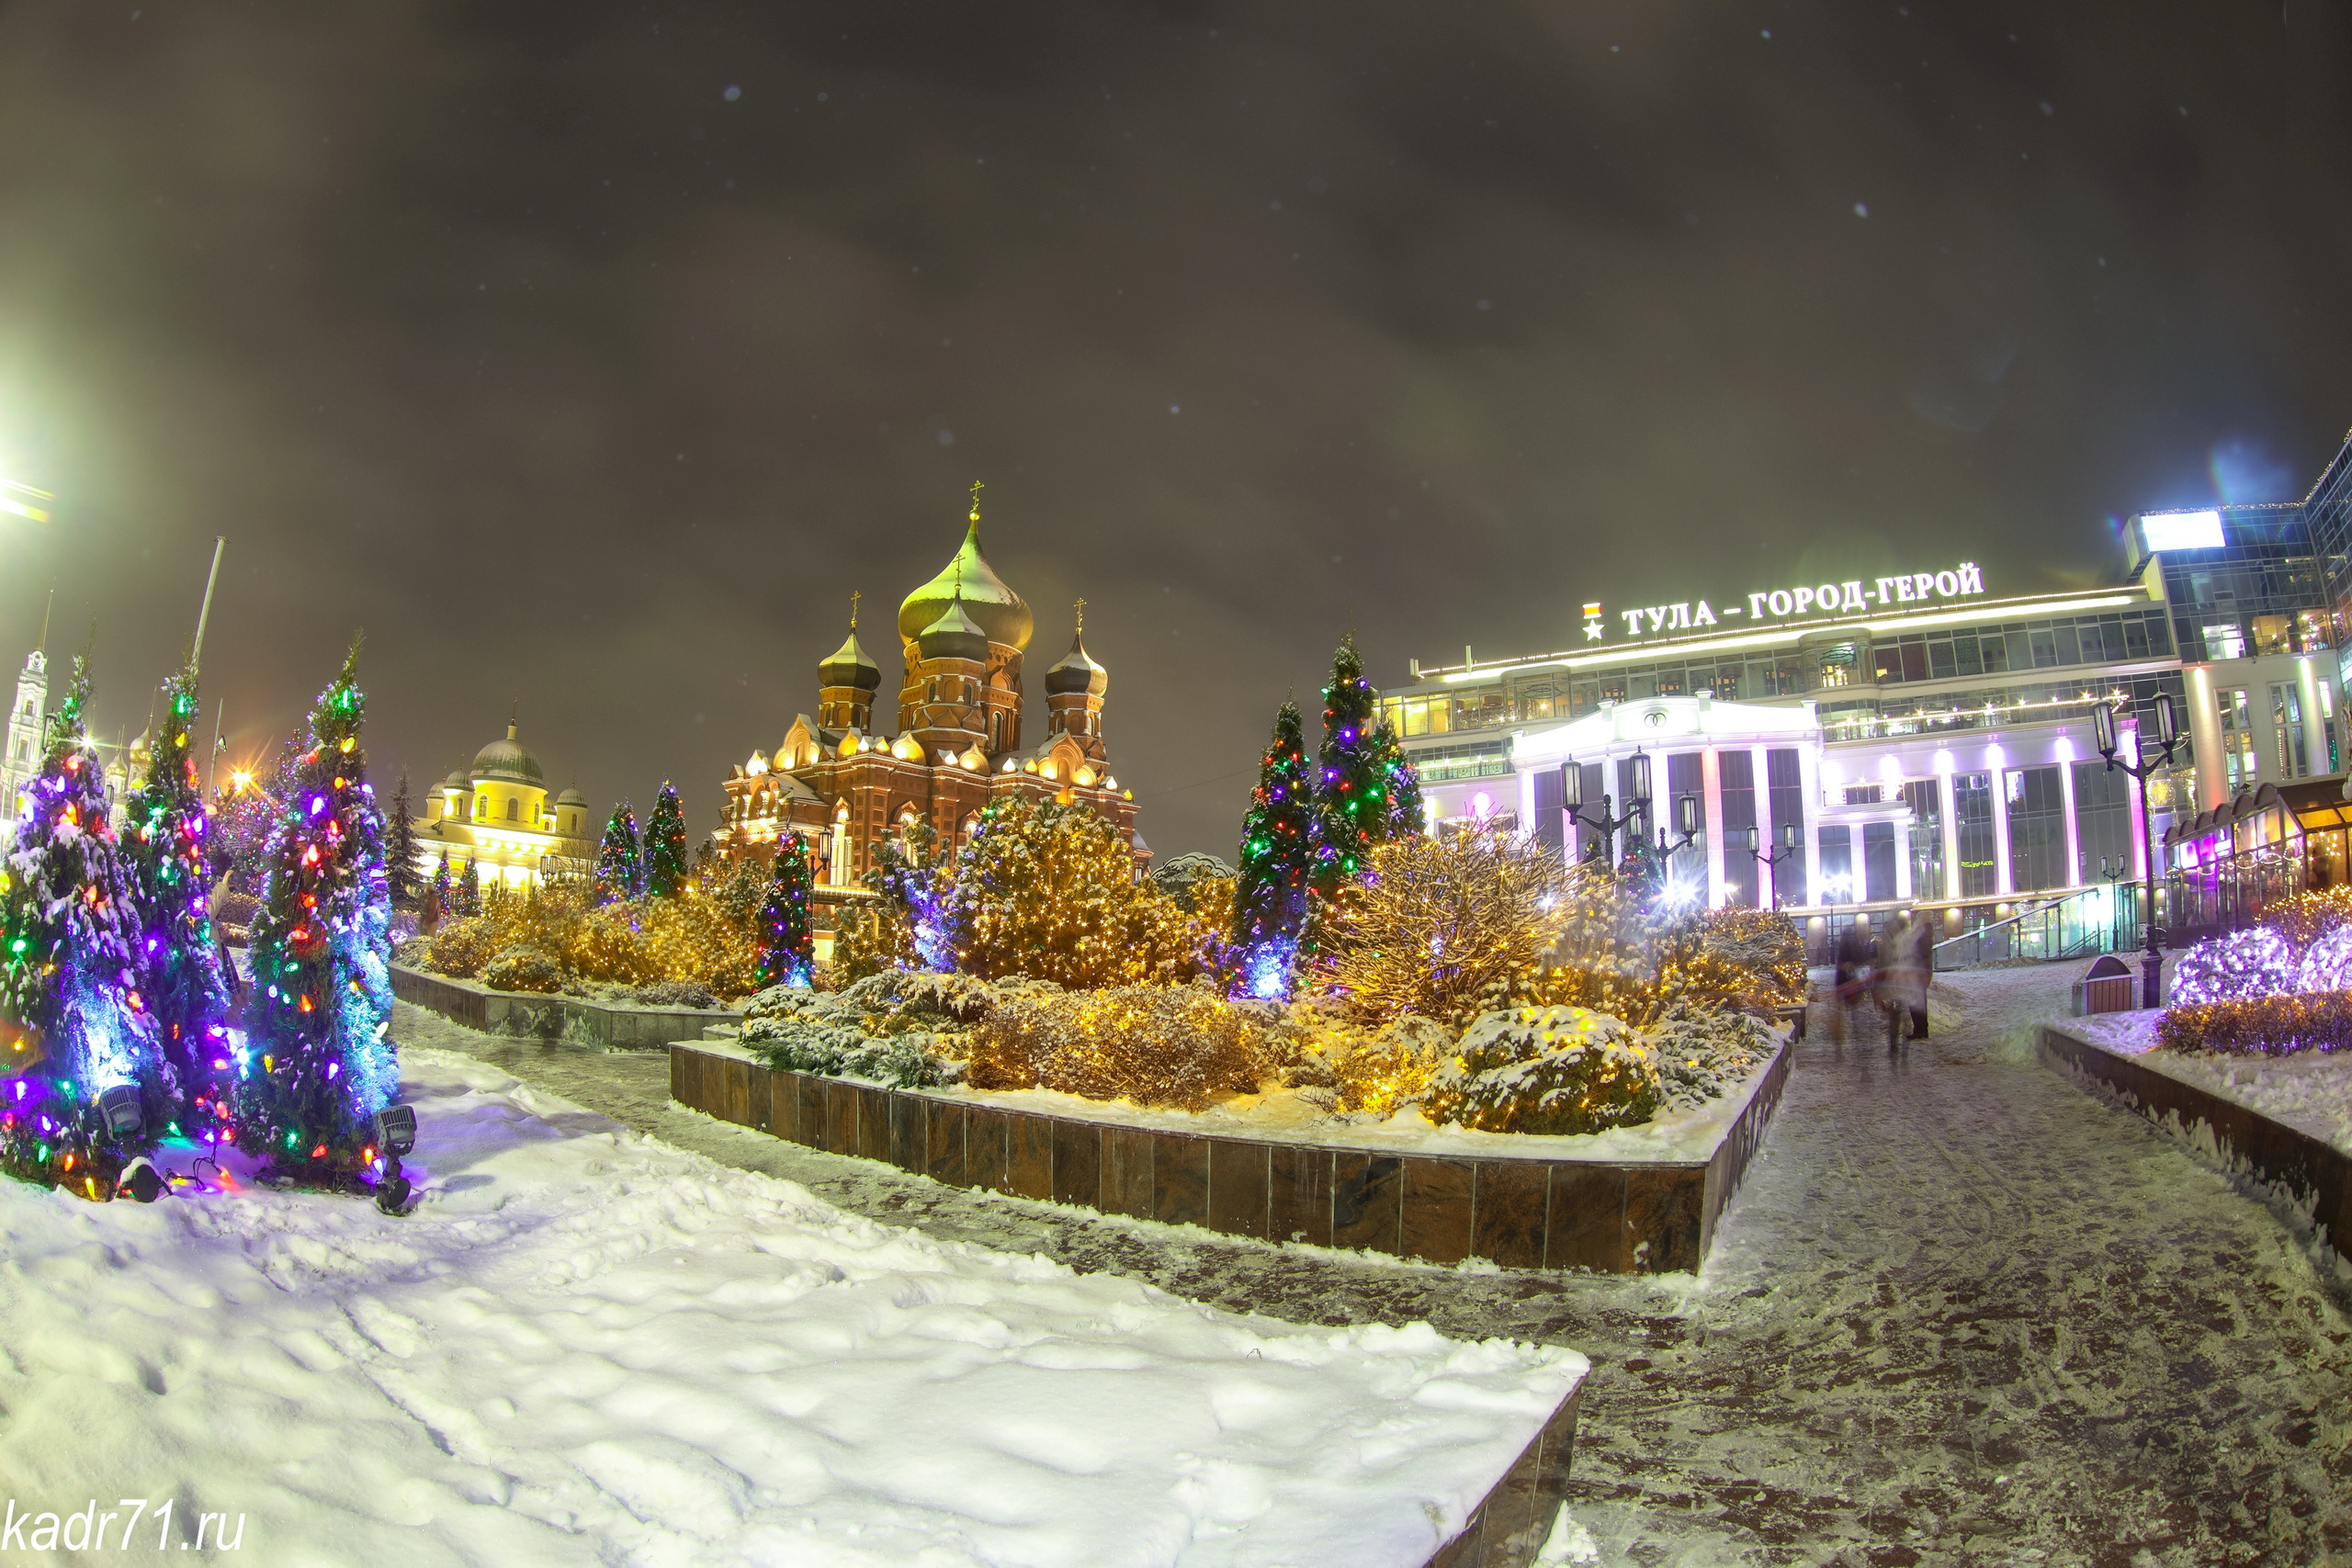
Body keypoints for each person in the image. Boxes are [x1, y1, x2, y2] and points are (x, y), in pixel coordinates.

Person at [1890, 914, 1932, 1043]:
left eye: (1919, 918)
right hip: (1918, 972)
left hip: (1917, 973)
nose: (1916, 920)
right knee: (1918, 1002)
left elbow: (1918, 951)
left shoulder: (1924, 933)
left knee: (1916, 1002)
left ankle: (1920, 1030)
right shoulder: (1924, 932)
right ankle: (1921, 1030)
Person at [1832, 918, 1875, 1044]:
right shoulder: (1853, 942)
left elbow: (1842, 963)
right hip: (1851, 980)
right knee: (1854, 1010)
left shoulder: (1846, 942)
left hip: (1843, 980)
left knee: (1843, 1010)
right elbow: (1858, 959)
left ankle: (1840, 1037)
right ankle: (1855, 1036)